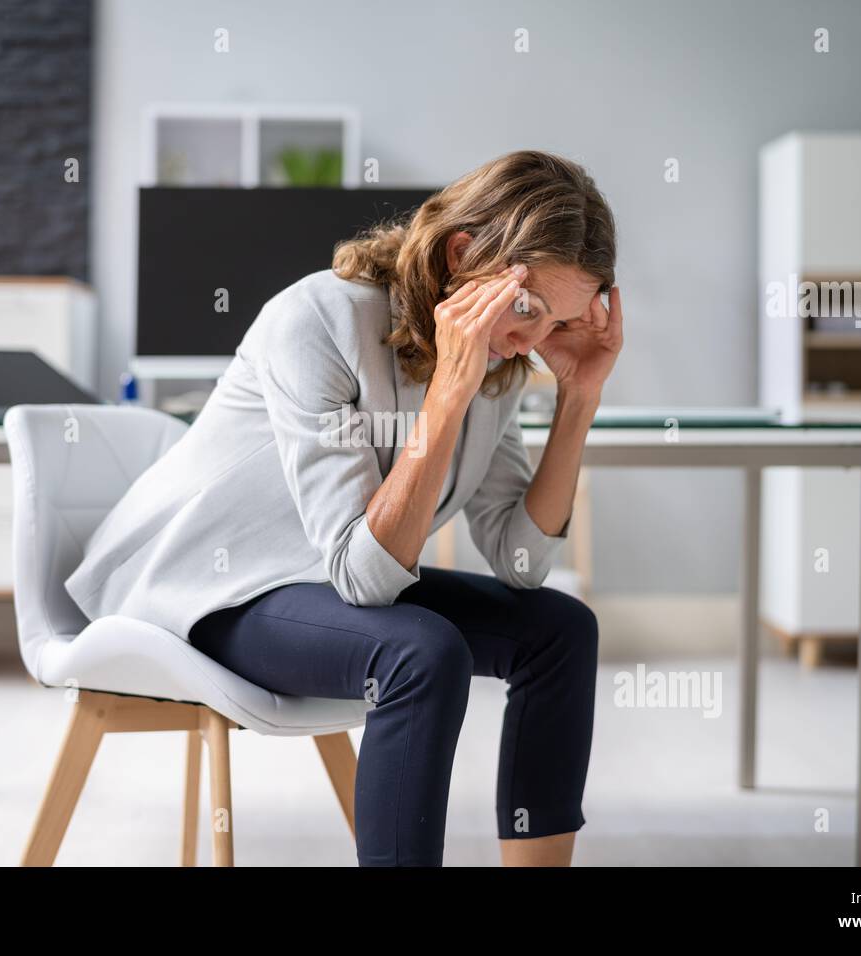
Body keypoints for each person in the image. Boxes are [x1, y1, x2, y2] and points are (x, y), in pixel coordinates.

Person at [65, 149, 623, 866]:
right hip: (204, 592)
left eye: (557, 325)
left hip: (318, 584)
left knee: (559, 629)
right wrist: (447, 395)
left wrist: (579, 398)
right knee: (421, 653)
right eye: (527, 309)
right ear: (464, 253)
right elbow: (366, 578)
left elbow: (522, 563)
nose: (533, 341)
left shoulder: (499, 364)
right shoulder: (317, 320)